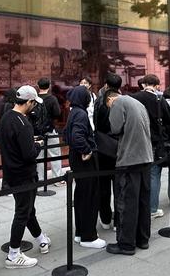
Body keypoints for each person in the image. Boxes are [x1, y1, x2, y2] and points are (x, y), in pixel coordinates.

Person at [0, 85, 52, 268]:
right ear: (28, 102)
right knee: (23, 212)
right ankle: (13, 254)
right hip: (24, 173)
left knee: (28, 209)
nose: (34, 107)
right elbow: (29, 154)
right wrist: (37, 145)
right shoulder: (23, 123)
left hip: (11, 172)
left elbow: (3, 143)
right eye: (33, 103)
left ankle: (41, 238)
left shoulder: (6, 117)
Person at [106, 90, 152, 255]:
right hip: (146, 157)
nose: (110, 108)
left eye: (108, 105)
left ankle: (126, 244)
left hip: (129, 159)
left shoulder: (117, 102)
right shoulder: (138, 103)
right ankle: (143, 239)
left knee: (127, 203)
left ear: (110, 99)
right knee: (143, 201)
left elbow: (115, 128)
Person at [65, 86, 105, 248]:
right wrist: (87, 150)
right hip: (85, 161)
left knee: (82, 196)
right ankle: (89, 236)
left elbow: (68, 135)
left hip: (76, 160)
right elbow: (77, 136)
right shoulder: (81, 114)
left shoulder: (73, 112)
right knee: (89, 197)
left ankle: (81, 232)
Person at [131, 74, 170, 219]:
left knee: (138, 175)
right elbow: (169, 119)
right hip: (155, 141)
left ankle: (139, 207)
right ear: (156, 85)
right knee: (154, 175)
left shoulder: (134, 98)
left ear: (143, 84)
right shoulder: (159, 99)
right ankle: (152, 208)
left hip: (137, 140)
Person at [94, 73, 123, 230]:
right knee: (119, 187)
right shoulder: (123, 101)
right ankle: (119, 221)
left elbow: (96, 124)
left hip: (102, 149)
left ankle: (105, 219)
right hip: (119, 148)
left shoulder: (99, 101)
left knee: (103, 187)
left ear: (106, 85)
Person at [33, 78, 63, 183]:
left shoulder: (34, 99)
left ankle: (40, 179)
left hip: (36, 132)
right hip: (50, 129)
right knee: (55, 154)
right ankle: (57, 178)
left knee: (39, 156)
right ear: (49, 86)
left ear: (38, 86)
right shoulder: (52, 99)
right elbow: (57, 113)